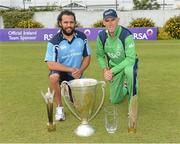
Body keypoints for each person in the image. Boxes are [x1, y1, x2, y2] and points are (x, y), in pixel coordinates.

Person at [96, 9, 138, 133]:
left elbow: (130, 59)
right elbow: (99, 55)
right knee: (114, 99)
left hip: (128, 65)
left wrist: (112, 71)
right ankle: (125, 86)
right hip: (113, 69)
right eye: (107, 20)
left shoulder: (126, 34)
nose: (110, 23)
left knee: (129, 72)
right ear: (103, 22)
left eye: (113, 20)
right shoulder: (101, 36)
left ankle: (132, 103)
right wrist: (105, 69)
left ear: (118, 20)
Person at [44, 10, 91, 121]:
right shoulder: (54, 41)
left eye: (71, 22)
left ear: (75, 23)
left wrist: (80, 70)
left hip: (76, 74)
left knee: (79, 106)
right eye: (66, 22)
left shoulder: (82, 37)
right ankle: (60, 108)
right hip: (60, 72)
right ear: (60, 23)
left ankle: (68, 90)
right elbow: (50, 64)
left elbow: (87, 57)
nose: (69, 25)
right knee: (53, 77)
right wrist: (70, 69)